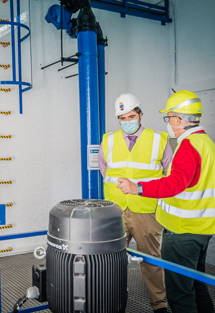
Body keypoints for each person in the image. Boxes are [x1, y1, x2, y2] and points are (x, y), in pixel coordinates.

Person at [118, 90, 215, 313]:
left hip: (182, 232)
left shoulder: (189, 146)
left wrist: (137, 187)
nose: (169, 122)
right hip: (201, 229)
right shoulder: (206, 142)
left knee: (179, 293)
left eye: (169, 117)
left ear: (179, 119)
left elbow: (174, 184)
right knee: (197, 285)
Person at [99, 93, 172, 313]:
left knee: (151, 260)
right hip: (115, 210)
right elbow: (105, 171)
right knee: (110, 260)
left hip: (146, 211)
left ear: (140, 115)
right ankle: (110, 302)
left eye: (131, 115)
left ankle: (159, 305)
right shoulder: (108, 140)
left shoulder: (159, 139)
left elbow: (169, 175)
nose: (127, 121)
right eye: (122, 118)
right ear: (118, 119)